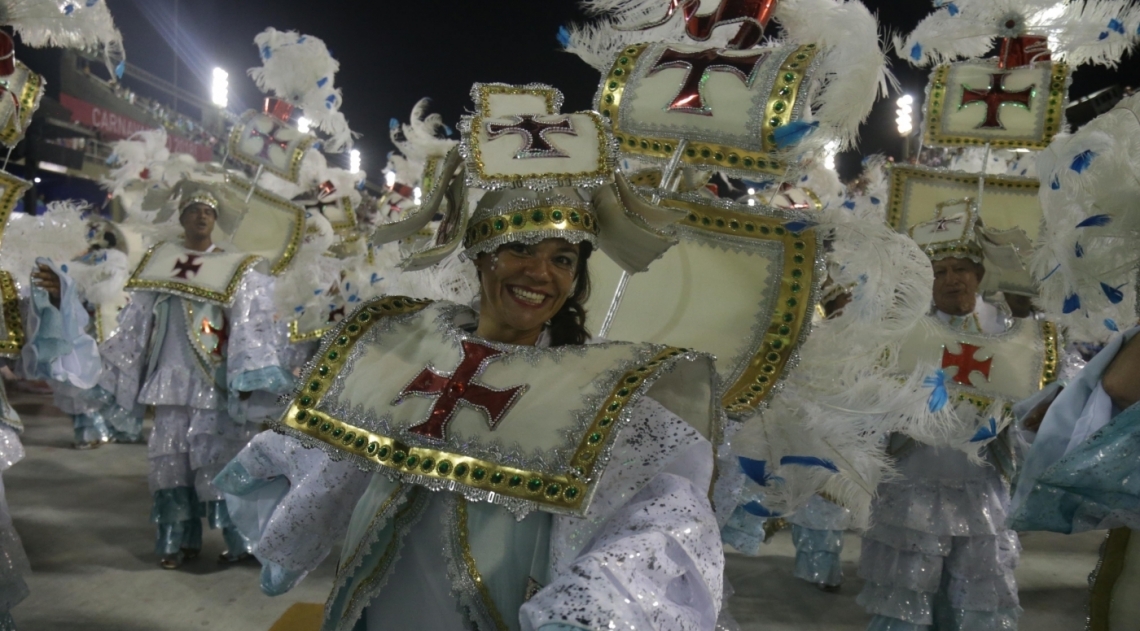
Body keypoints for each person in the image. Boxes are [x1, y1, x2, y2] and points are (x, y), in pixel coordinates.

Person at [225, 85, 726, 629]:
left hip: (505, 598)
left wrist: (599, 600)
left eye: (562, 258)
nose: (540, 274)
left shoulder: (598, 384)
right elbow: (343, 443)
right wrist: (276, 464)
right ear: (481, 256)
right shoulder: (410, 340)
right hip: (379, 595)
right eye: (521, 249)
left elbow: (664, 511)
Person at [856, 207, 1058, 631]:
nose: (952, 279)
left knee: (979, 583)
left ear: (979, 274)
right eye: (941, 270)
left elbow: (1043, 393)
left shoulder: (1010, 331)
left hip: (981, 481)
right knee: (906, 585)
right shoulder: (904, 332)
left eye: (962, 269)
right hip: (913, 475)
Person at [92, 181, 292, 569]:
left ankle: (241, 542)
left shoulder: (235, 268)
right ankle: (175, 542)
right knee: (171, 464)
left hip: (211, 381)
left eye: (208, 211)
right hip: (167, 380)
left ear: (215, 220)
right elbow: (136, 322)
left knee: (219, 460)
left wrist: (249, 376)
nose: (201, 216)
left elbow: (249, 325)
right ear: (181, 218)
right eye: (193, 210)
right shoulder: (160, 261)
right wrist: (121, 367)